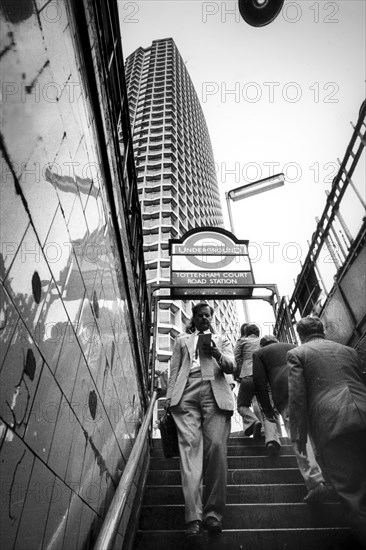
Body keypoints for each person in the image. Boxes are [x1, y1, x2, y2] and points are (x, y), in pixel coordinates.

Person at [288, 316, 366, 546]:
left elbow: (297, 398)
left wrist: (299, 437)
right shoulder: (347, 350)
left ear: (300, 334)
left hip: (333, 423)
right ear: (322, 330)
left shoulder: (297, 354)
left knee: (352, 493)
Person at [165, 302, 235, 539]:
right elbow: (173, 371)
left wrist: (217, 352)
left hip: (215, 391)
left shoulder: (221, 339)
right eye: (201, 315)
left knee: (216, 447)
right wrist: (168, 399)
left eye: (209, 315)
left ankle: (213, 514)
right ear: (194, 319)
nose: (206, 318)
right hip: (186, 394)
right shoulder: (182, 341)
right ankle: (193, 517)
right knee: (190, 452)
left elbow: (232, 366)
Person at [253, 334, 331, 503]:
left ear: (262, 344)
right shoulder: (292, 345)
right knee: (315, 431)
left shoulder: (260, 354)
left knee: (299, 437)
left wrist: (267, 409)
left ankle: (316, 482)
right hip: (308, 387)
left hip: (285, 393)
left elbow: (259, 383)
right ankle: (330, 475)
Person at [234, 323, 264, 438]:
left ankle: (253, 421)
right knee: (261, 403)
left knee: (242, 405)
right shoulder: (262, 341)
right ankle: (264, 430)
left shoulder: (242, 341)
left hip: (247, 375)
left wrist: (240, 375)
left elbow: (237, 358)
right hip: (262, 376)